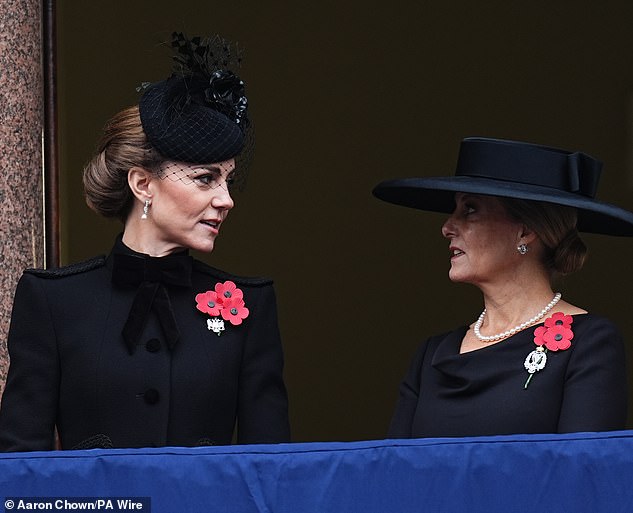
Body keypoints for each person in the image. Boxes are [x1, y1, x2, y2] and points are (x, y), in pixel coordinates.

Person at [0, 33, 290, 450]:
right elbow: (21, 470)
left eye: (227, 180)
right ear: (142, 184)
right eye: (205, 178)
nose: (226, 200)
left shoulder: (252, 306)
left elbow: (271, 472)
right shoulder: (53, 302)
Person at [373, 137, 633, 438]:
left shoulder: (588, 344)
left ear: (525, 231)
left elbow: (580, 475)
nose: (446, 227)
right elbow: (394, 473)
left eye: (470, 209)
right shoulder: (431, 355)